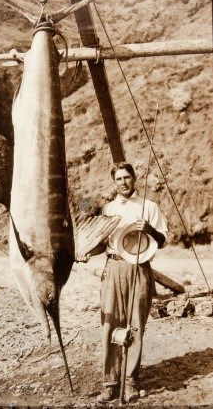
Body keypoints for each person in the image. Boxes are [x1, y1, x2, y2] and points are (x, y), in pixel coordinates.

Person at [83, 162, 167, 403]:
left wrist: (148, 228)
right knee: (109, 324)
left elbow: (161, 241)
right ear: (114, 182)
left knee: (136, 323)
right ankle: (110, 383)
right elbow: (103, 242)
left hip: (139, 268)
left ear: (134, 179)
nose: (123, 182)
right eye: (119, 178)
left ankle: (130, 382)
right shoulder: (107, 208)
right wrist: (89, 251)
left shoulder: (149, 206)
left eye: (127, 177)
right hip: (113, 267)